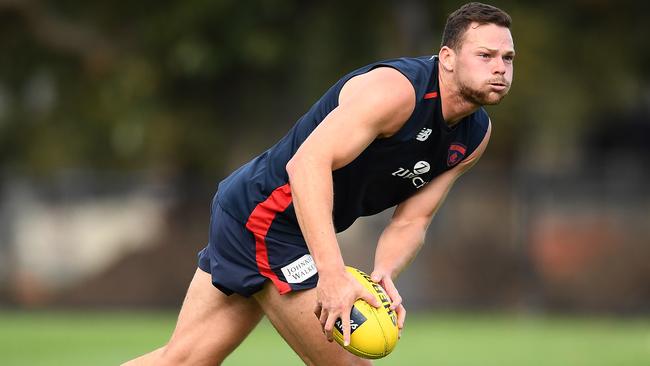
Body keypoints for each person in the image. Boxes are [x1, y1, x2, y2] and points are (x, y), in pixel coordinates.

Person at [123, 2, 514, 365]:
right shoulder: (395, 92)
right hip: (268, 216)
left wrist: (384, 274)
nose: (500, 68)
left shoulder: (474, 136)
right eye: (485, 55)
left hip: (264, 216)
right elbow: (306, 165)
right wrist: (331, 274)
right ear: (447, 58)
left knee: (185, 359)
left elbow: (412, 221)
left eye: (507, 58)